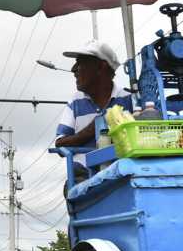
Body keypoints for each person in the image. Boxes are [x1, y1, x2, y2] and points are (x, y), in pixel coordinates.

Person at [54, 40, 134, 186]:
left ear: (100, 67)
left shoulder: (129, 100)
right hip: (83, 178)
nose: (74, 70)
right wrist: (91, 130)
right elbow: (60, 144)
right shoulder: (76, 102)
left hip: (122, 175)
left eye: (80, 63)